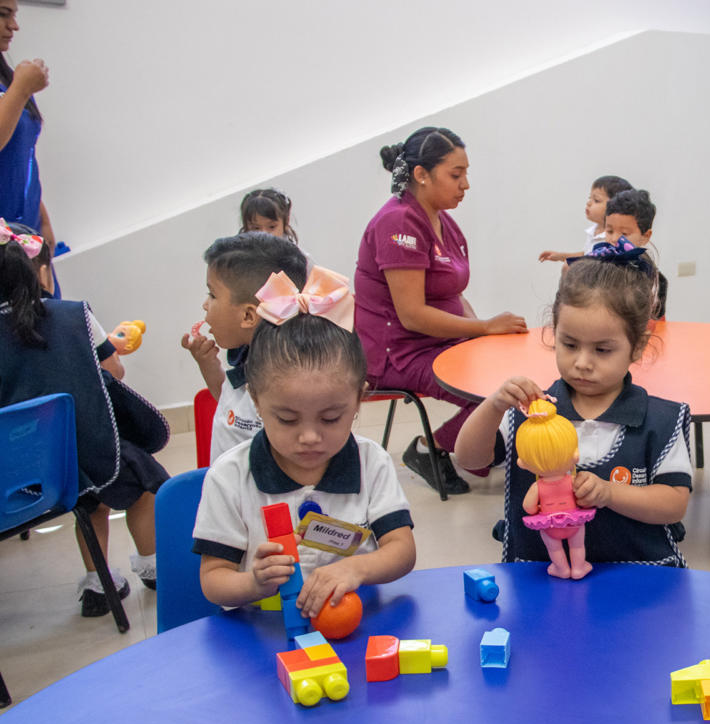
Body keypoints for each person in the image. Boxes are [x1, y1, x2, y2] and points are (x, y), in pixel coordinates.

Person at [454, 239, 692, 568]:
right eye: (569, 344)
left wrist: (610, 493)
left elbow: (674, 504)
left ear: (638, 347)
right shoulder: (533, 412)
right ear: (555, 333)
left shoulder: (660, 420)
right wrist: (494, 405)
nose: (582, 362)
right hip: (542, 576)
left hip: (639, 577)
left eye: (602, 350)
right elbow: (469, 459)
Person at [192, 304, 416, 619]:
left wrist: (356, 568)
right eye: (287, 419)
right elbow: (213, 579)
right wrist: (254, 582)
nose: (309, 437)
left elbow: (402, 550)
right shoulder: (229, 476)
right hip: (268, 629)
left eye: (330, 418)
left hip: (356, 621)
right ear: (256, 400)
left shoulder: (371, 462)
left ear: (358, 399)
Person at [0, 220, 169, 613]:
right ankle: (154, 569)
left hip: (16, 477)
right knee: (140, 481)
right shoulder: (73, 315)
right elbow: (114, 372)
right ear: (39, 273)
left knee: (86, 501)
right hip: (88, 453)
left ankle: (98, 585)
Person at [353, 126, 527, 496]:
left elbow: (454, 292)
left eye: (465, 174)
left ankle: (481, 447)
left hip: (437, 341)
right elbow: (412, 315)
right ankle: (430, 447)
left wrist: (482, 336)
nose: (465, 185)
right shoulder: (398, 222)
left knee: (511, 370)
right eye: (456, 174)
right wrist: (483, 328)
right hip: (399, 353)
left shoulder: (442, 219)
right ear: (421, 174)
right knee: (493, 391)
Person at [181, 232, 308, 463]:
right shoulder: (250, 354)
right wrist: (208, 364)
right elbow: (232, 408)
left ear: (248, 316)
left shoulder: (285, 383)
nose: (205, 304)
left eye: (212, 295)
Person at [0, 2, 56, 295]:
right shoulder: (16, 86)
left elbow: (23, 157)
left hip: (28, 235)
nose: (14, 26)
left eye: (14, 15)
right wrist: (20, 89)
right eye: (3, 14)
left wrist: (43, 220)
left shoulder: (7, 79)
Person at [515, 399, 596, 579]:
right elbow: (583, 498)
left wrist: (537, 508)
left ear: (523, 462)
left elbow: (528, 507)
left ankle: (561, 569)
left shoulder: (537, 486)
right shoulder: (572, 480)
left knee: (554, 548)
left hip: (549, 524)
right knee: (577, 545)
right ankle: (578, 568)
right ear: (574, 454)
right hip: (574, 521)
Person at [602, 188, 670, 319]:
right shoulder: (598, 262)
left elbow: (655, 321)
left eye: (624, 234)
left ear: (645, 236)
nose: (614, 238)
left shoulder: (650, 275)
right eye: (609, 231)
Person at [538, 174, 633, 264]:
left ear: (615, 206)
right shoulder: (593, 230)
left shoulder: (613, 238)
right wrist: (561, 256)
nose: (589, 203)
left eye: (596, 200)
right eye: (589, 198)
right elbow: (586, 254)